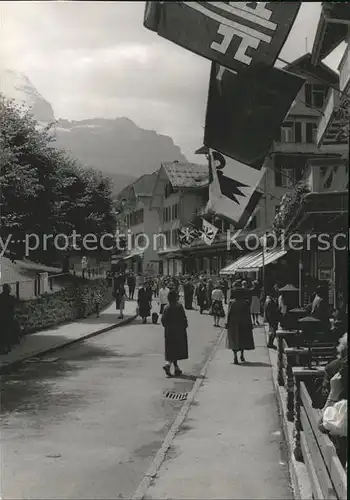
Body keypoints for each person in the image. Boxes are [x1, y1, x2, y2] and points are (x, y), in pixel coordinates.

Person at [226, 281, 255, 364]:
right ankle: (242, 354)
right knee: (242, 339)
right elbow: (248, 314)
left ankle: (235, 356)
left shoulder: (232, 302)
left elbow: (229, 314)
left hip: (234, 323)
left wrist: (227, 323)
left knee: (234, 340)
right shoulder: (245, 303)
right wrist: (250, 324)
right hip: (244, 322)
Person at [161, 290, 188, 377]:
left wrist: (168, 327)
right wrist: (184, 327)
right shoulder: (179, 307)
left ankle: (176, 368)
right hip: (178, 332)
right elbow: (183, 319)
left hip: (169, 332)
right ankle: (168, 365)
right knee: (176, 350)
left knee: (171, 350)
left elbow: (163, 320)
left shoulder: (166, 307)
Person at [0, 284, 20, 353]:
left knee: (2, 333)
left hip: (1, 318)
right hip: (9, 318)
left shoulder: (0, 297)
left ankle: (2, 348)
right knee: (8, 332)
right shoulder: (11, 298)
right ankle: (8, 347)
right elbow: (15, 307)